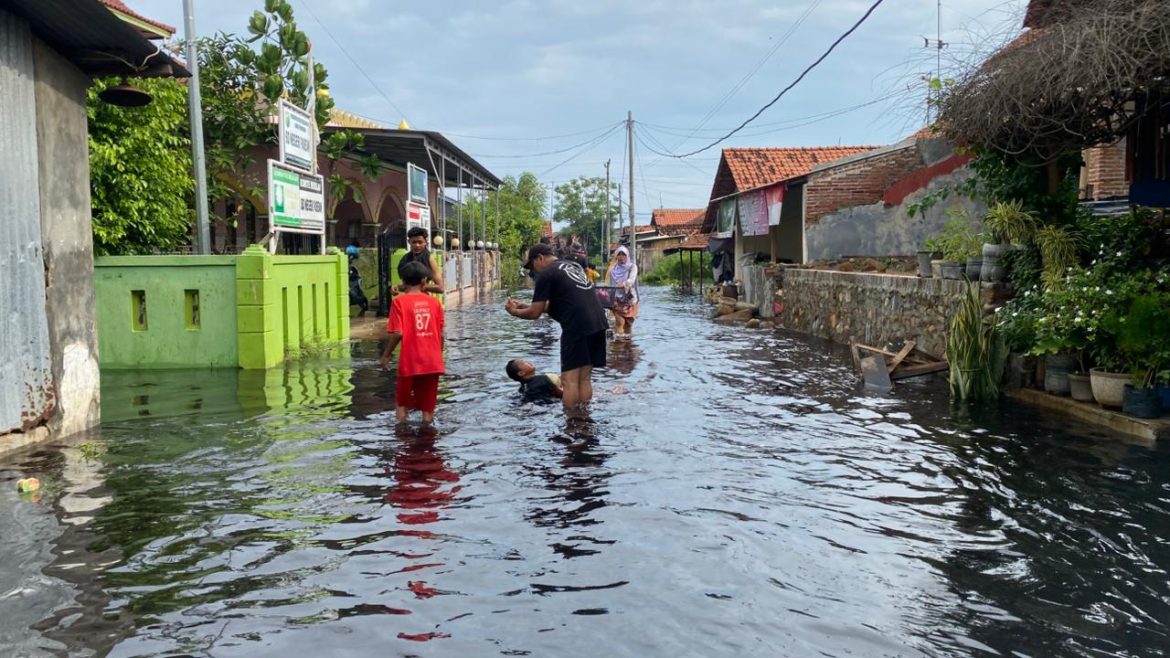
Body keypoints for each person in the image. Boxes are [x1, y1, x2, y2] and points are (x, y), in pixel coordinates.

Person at [505, 244, 608, 416]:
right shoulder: (572, 266)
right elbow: (565, 301)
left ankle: (573, 422)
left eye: (532, 266)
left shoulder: (546, 274)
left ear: (540, 258)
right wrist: (526, 305)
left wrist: (514, 312)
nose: (533, 272)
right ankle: (585, 418)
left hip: (576, 325)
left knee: (570, 381)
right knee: (584, 378)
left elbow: (535, 313)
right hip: (598, 321)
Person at [380, 261, 445, 425]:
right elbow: (441, 334)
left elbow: (397, 333)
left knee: (402, 404)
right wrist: (439, 356)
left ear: (403, 281)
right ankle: (427, 440)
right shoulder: (435, 303)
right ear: (424, 281)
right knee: (428, 408)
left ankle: (402, 439)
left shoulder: (399, 302)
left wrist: (386, 355)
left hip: (410, 362)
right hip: (432, 362)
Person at [396, 227, 443, 295]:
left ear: (425, 242)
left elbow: (440, 288)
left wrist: (420, 286)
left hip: (424, 299)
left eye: (420, 242)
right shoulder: (404, 259)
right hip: (409, 299)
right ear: (409, 242)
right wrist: (396, 287)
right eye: (414, 242)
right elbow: (405, 285)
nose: (417, 245)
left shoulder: (429, 259)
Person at [605, 246, 639, 337]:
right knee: (619, 323)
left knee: (629, 325)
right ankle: (619, 347)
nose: (621, 257)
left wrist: (624, 284)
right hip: (618, 300)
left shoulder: (632, 267)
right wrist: (611, 299)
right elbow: (612, 286)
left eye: (623, 254)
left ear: (627, 255)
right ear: (616, 256)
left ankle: (628, 346)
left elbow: (631, 280)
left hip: (630, 300)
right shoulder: (613, 270)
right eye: (619, 254)